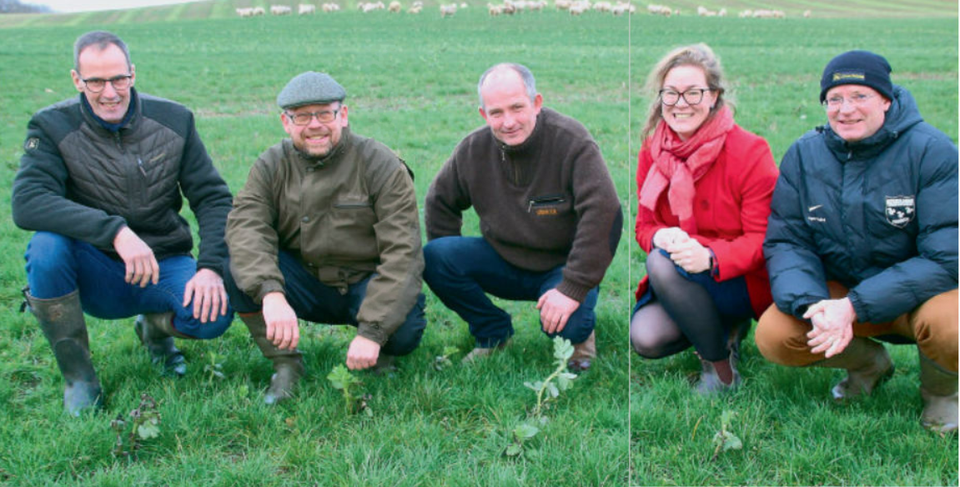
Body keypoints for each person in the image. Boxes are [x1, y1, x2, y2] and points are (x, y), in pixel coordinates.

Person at [11, 31, 234, 416]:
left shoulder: (175, 120)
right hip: (95, 269)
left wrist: (212, 267)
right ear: (77, 80)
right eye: (96, 81)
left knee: (213, 316)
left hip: (163, 261)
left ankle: (155, 330)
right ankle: (79, 378)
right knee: (46, 247)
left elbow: (213, 197)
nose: (110, 92)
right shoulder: (51, 126)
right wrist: (115, 231)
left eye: (118, 79)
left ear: (133, 73)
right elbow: (27, 202)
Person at [757, 50, 958, 432]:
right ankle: (868, 365)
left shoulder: (933, 152)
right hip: (843, 291)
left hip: (921, 297)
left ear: (886, 99)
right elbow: (788, 241)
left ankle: (942, 394)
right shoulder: (803, 155)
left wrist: (854, 306)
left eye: (860, 96)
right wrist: (811, 304)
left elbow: (947, 258)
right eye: (834, 99)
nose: (845, 109)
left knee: (953, 325)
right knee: (775, 335)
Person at [224, 71, 425, 405]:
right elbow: (246, 228)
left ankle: (382, 354)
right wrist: (270, 293)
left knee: (404, 332)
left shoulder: (381, 164)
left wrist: (373, 331)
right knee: (235, 267)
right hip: (303, 282)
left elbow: (403, 253)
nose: (314, 125)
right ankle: (286, 363)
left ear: (342, 115)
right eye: (302, 116)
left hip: (366, 283)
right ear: (286, 123)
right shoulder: (271, 164)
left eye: (324, 114)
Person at [423, 63, 622, 371]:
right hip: (502, 259)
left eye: (517, 108)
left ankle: (580, 341)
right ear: (484, 114)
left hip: (561, 266)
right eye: (496, 112)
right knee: (436, 256)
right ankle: (493, 332)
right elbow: (439, 202)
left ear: (536, 103)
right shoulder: (473, 150)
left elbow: (604, 213)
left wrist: (573, 287)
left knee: (568, 327)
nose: (508, 122)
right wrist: (454, 273)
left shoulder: (572, 141)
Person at [629, 44, 779, 394]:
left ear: (713, 96)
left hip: (739, 278)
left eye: (693, 92)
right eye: (671, 93)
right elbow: (644, 227)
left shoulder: (750, 151)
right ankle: (722, 330)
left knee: (660, 263)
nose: (680, 103)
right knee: (647, 338)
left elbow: (764, 238)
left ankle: (719, 368)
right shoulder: (652, 151)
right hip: (681, 276)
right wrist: (660, 237)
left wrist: (710, 257)